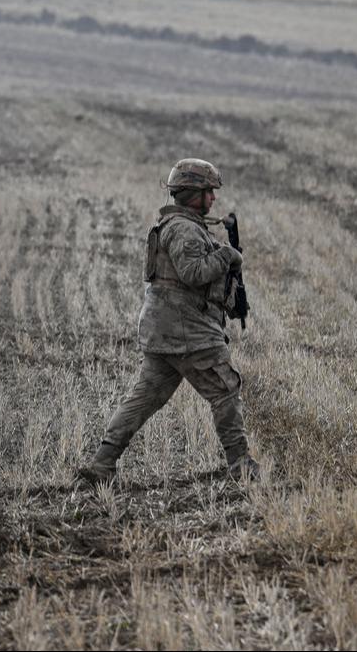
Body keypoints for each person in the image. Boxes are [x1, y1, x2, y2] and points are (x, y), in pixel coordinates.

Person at [78, 158, 259, 485]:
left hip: (165, 331)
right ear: (194, 194)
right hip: (187, 332)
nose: (214, 199)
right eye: (209, 192)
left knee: (145, 398)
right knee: (226, 389)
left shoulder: (179, 226)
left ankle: (102, 463)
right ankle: (240, 465)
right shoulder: (184, 229)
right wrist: (228, 256)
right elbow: (194, 273)